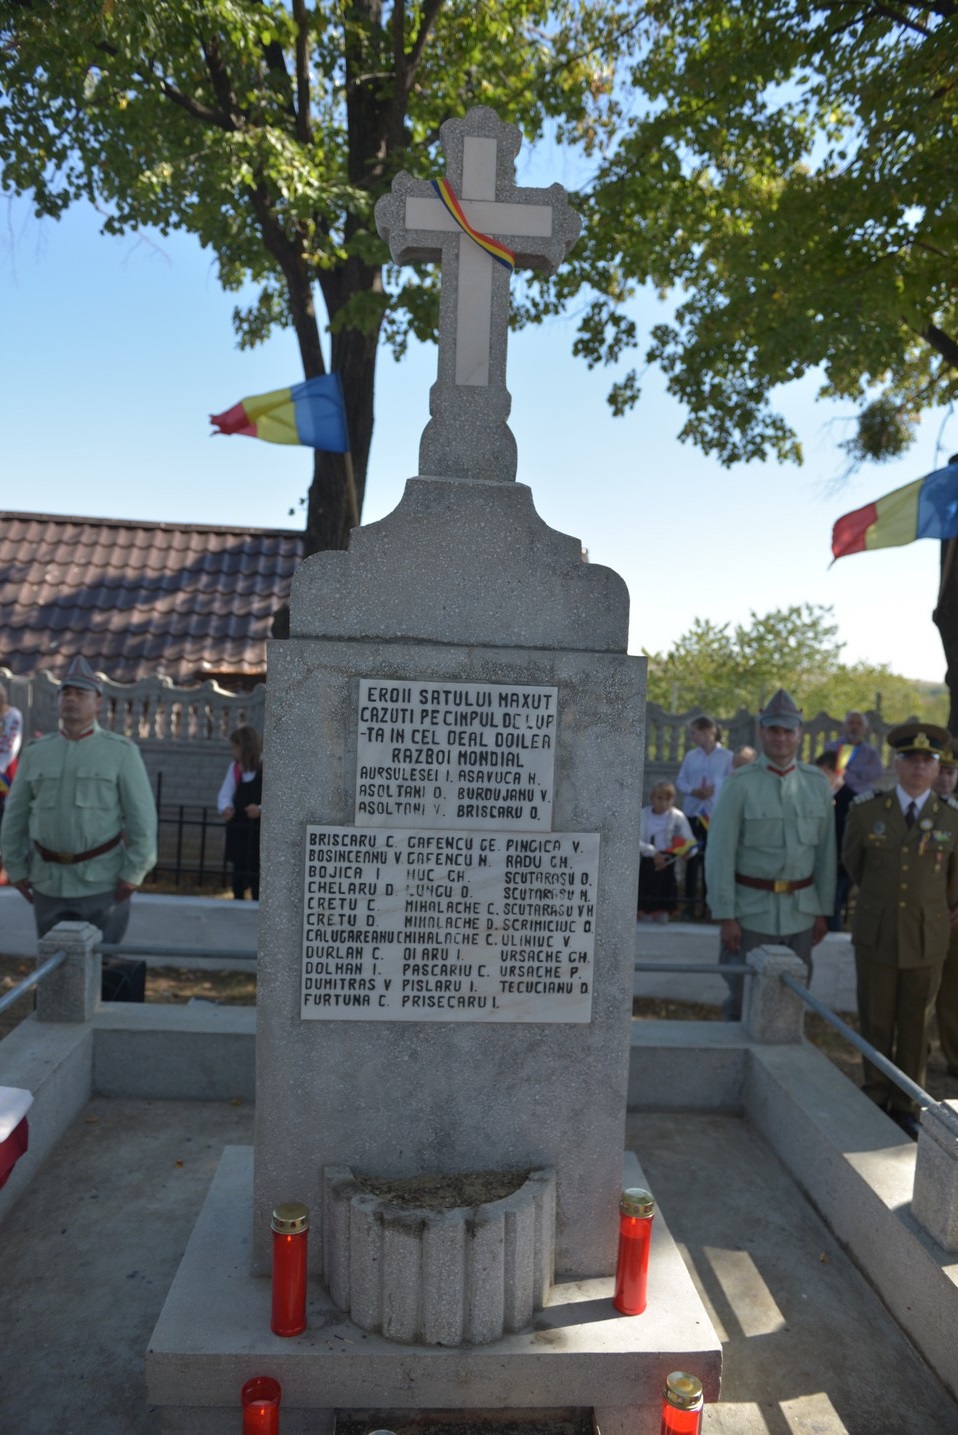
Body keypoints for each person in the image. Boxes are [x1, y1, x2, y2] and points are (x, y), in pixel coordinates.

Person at [843, 722, 958, 1138]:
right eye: (911, 758)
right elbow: (854, 865)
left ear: (937, 767)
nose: (919, 767)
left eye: (928, 760)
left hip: (927, 938)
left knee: (916, 1023)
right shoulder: (867, 811)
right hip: (877, 933)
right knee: (876, 1019)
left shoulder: (950, 817)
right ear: (897, 763)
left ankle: (907, 1103)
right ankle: (874, 1095)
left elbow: (953, 883)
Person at [0, 655, 157, 945]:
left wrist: (135, 871)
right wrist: (15, 866)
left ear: (98, 703)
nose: (71, 699)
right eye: (66, 693)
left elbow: (142, 818)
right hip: (47, 883)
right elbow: (15, 816)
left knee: (101, 968)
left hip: (103, 883)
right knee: (54, 971)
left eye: (80, 694)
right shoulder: (36, 752)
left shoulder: (121, 752)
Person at [705, 688, 836, 1021]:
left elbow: (825, 853)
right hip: (750, 915)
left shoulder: (816, 784)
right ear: (762, 732)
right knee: (743, 1000)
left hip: (801, 915)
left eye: (788, 731)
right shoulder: (741, 784)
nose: (781, 738)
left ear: (799, 734)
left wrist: (822, 910)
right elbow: (720, 853)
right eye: (774, 730)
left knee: (792, 1002)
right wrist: (726, 914)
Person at [825, 710, 885, 928]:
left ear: (865, 728)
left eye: (858, 723)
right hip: (834, 804)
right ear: (844, 725)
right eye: (850, 722)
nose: (854, 727)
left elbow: (874, 773)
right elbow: (829, 770)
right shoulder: (833, 747)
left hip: (859, 804)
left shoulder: (870, 752)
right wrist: (849, 774)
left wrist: (847, 771)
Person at [675, 715, 733, 918]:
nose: (692, 737)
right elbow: (680, 781)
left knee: (712, 859)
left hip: (713, 815)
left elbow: (731, 781)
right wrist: (693, 790)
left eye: (694, 732)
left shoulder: (727, 756)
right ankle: (690, 905)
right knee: (691, 857)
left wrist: (713, 789)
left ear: (708, 731)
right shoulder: (691, 756)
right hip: (693, 813)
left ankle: (709, 906)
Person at [931, 744, 958, 1078]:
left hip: (952, 920)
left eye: (952, 772)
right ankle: (914, 1053)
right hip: (919, 917)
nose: (945, 778)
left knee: (952, 993)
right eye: (943, 771)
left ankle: (954, 1056)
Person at [637, 781, 696, 924]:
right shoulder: (643, 815)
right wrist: (652, 852)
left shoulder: (678, 817)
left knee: (663, 913)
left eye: (667, 799)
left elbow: (690, 842)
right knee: (645, 908)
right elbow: (635, 840)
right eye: (660, 798)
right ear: (652, 798)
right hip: (648, 865)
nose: (663, 803)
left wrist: (689, 852)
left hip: (668, 866)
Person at [218, 725, 263, 900]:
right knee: (238, 872)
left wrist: (259, 809)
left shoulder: (265, 767)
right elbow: (225, 794)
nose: (232, 751)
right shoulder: (235, 769)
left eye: (235, 747)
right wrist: (226, 807)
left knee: (256, 873)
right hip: (239, 829)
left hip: (257, 831)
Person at [0, 682, 23, 882]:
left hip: (4, 773)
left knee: (5, 818)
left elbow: (9, 744)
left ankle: (4, 867)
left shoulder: (12, 716)